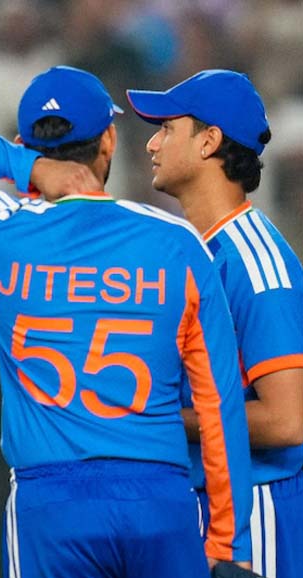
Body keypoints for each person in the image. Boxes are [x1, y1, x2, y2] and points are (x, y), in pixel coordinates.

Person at [0, 65, 253, 577]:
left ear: (24, 145)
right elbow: (219, 404)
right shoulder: (177, 243)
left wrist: (28, 168)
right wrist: (229, 544)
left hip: (51, 504)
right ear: (109, 140)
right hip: (159, 499)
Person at [128, 69, 303, 578]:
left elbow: (288, 420)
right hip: (209, 503)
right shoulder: (198, 250)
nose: (152, 144)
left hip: (260, 509)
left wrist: (156, 418)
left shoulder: (256, 262)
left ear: (209, 141)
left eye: (167, 128)